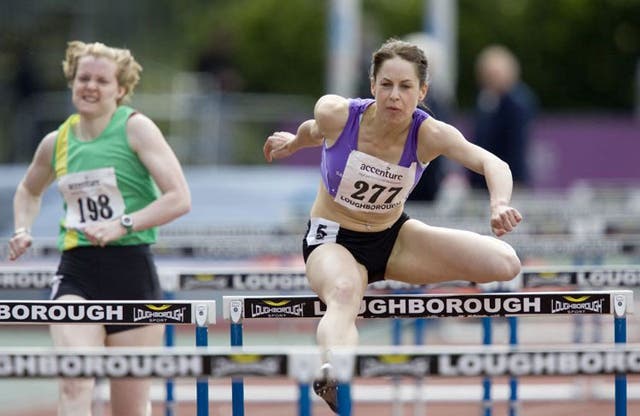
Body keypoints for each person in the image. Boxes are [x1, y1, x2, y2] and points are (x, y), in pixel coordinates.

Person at [263, 38, 523, 413]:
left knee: (505, 263)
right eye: (386, 85)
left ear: (423, 92)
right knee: (343, 291)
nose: (394, 97)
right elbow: (314, 129)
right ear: (372, 86)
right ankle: (334, 373)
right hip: (333, 238)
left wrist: (499, 204)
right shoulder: (338, 112)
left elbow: (494, 164)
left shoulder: (429, 133)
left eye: (405, 87)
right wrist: (292, 144)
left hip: (393, 238)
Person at [7, 41, 191, 416]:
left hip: (132, 272)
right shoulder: (55, 141)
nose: (90, 86)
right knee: (74, 382)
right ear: (71, 82)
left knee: (130, 406)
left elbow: (179, 198)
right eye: (83, 78)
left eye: (101, 80)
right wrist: (22, 228)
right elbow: (28, 189)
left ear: (120, 89)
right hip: (77, 273)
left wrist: (123, 224)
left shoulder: (136, 129)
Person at [468, 45, 537, 190]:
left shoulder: (518, 102)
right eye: (488, 74)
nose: (491, 79)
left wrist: (516, 180)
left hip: (508, 180)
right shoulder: (485, 99)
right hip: (483, 180)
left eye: (495, 74)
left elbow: (517, 145)